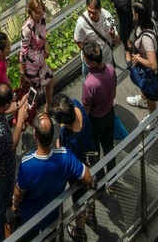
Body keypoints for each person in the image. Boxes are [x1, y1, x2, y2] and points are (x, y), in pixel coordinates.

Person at [6, 112, 92, 237]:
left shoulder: (27, 164)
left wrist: (14, 205)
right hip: (52, 216)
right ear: (52, 136)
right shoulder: (65, 156)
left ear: (35, 136)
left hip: (30, 219)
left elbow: (19, 193)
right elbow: (88, 178)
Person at [0, 84, 28, 242]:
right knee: (1, 205)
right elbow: (13, 145)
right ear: (6, 103)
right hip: (3, 170)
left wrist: (19, 105)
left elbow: (4, 108)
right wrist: (20, 120)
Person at [50, 94, 98, 241]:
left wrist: (59, 146)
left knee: (79, 201)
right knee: (89, 191)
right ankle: (91, 215)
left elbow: (65, 156)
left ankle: (80, 231)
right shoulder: (77, 105)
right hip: (91, 161)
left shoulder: (68, 137)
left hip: (78, 173)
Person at [126, 1, 158, 116]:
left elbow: (153, 65)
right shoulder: (148, 22)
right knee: (145, 89)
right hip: (146, 65)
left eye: (133, 12)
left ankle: (153, 118)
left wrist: (138, 58)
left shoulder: (147, 38)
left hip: (150, 70)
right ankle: (143, 99)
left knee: (151, 96)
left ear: (137, 15)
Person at [81, 42, 117, 159]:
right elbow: (114, 93)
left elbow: (86, 109)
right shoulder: (111, 69)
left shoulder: (89, 83)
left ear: (93, 63)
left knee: (94, 149)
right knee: (109, 147)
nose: (83, 58)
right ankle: (113, 173)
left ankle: (99, 174)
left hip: (95, 121)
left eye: (85, 58)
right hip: (110, 114)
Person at [19, 0, 54, 110]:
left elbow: (43, 35)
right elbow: (23, 52)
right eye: (36, 13)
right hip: (31, 67)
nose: (39, 15)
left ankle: (48, 106)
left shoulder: (42, 19)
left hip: (40, 62)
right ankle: (25, 118)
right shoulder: (27, 29)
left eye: (41, 12)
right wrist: (22, 74)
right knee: (33, 95)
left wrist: (45, 46)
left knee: (50, 81)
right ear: (30, 12)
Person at [73, 0, 118, 76]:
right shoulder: (81, 23)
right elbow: (77, 40)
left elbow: (117, 40)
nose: (91, 15)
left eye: (93, 12)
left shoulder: (107, 16)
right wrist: (88, 55)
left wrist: (113, 36)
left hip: (107, 59)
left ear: (100, 10)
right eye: (89, 11)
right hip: (91, 64)